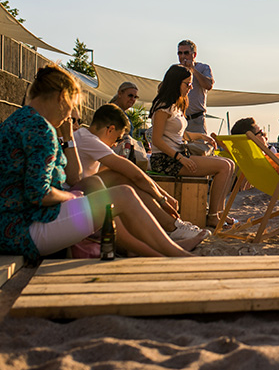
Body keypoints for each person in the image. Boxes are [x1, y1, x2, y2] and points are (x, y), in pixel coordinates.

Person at [0, 65, 195, 262]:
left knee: (107, 188)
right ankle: (176, 254)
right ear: (61, 97)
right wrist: (71, 197)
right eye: (71, 106)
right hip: (25, 230)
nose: (68, 116)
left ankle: (165, 249)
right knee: (123, 195)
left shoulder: (18, 120)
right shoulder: (41, 130)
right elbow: (39, 194)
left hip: (10, 225)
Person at [73, 104, 208, 246]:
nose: (115, 144)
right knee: (120, 177)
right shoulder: (89, 140)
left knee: (121, 176)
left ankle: (170, 228)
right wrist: (162, 199)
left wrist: (162, 195)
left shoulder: (83, 136)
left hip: (81, 195)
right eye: (117, 138)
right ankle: (171, 227)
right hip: (77, 202)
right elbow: (135, 175)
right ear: (110, 129)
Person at [149, 64, 236, 229]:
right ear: (176, 83)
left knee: (229, 164)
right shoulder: (163, 107)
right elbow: (157, 140)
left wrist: (201, 136)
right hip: (165, 160)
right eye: (187, 84)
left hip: (176, 156)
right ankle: (213, 216)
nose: (191, 87)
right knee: (224, 167)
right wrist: (180, 158)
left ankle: (219, 213)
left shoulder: (176, 104)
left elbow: (180, 135)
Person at [177, 39, 213, 135]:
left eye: (186, 53)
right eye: (180, 53)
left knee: (200, 144)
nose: (183, 56)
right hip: (178, 119)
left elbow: (208, 85)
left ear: (194, 55)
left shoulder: (203, 68)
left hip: (196, 119)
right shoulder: (175, 70)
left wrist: (193, 69)